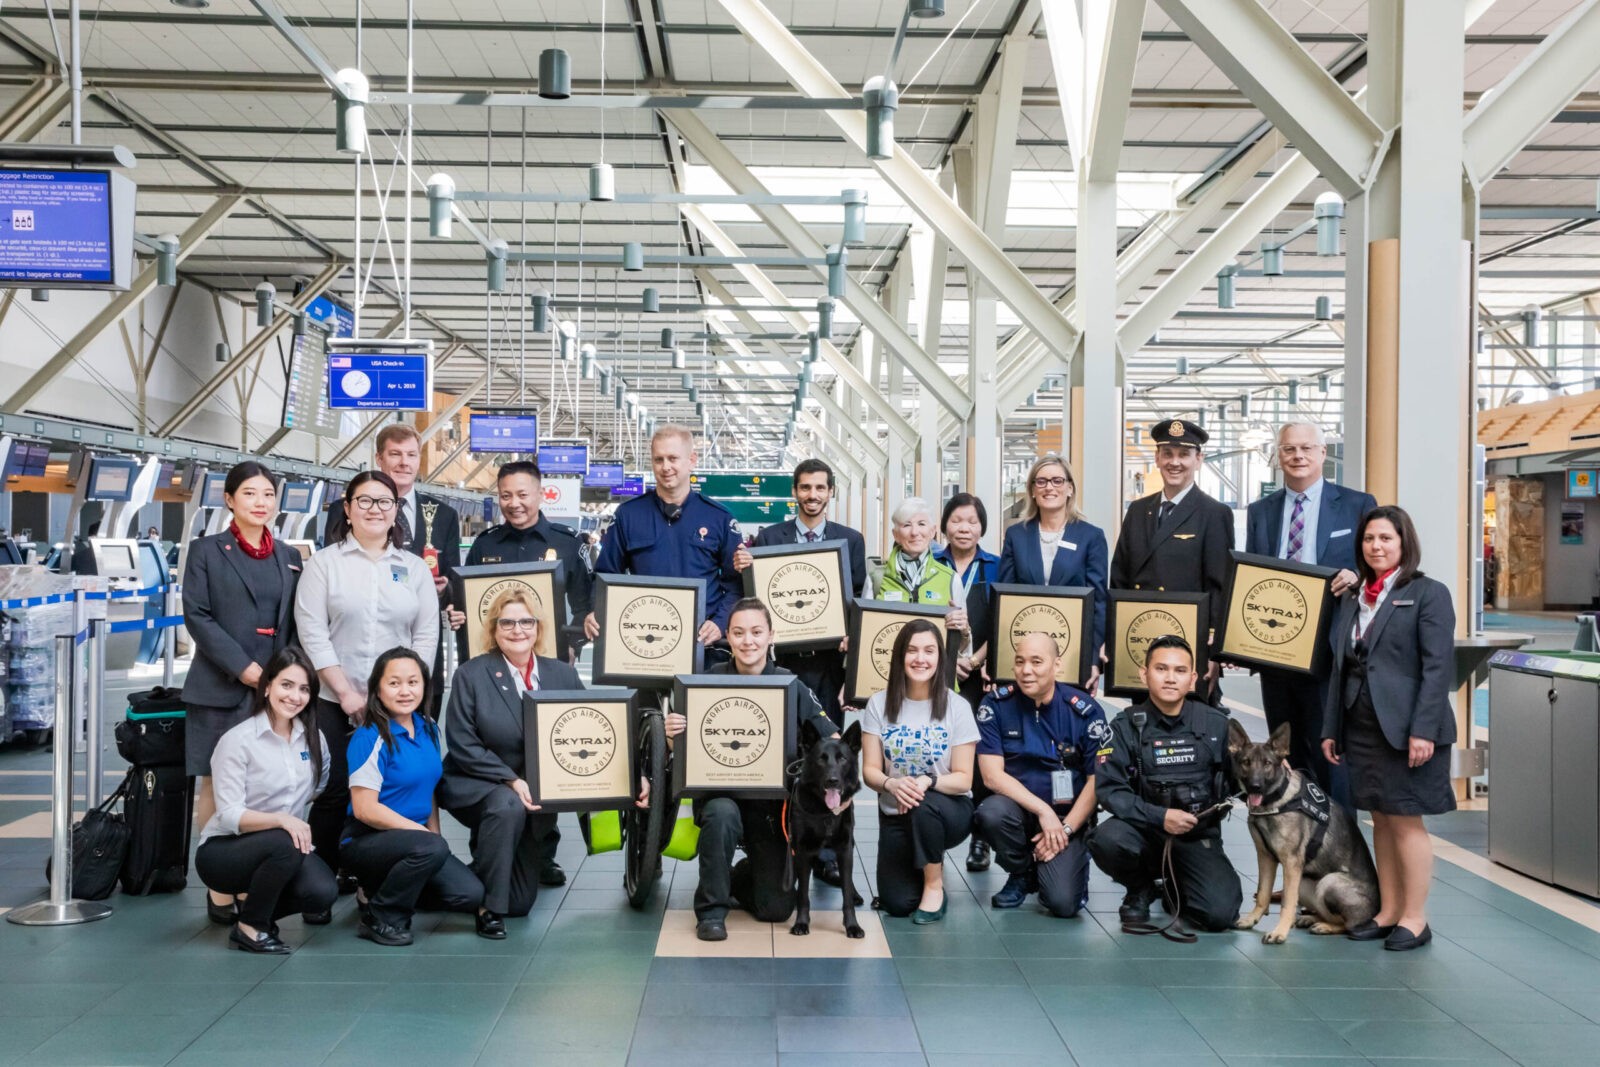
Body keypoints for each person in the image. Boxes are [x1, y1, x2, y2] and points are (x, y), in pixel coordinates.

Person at [295, 471, 440, 897]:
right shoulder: (324, 564)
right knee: (334, 786)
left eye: (384, 502)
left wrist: (409, 694)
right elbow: (312, 631)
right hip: (332, 697)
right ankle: (321, 879)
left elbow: (426, 634)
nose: (375, 510)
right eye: (365, 501)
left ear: (396, 511)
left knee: (392, 786)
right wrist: (345, 692)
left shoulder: (412, 568)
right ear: (347, 507)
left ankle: (377, 869)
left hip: (396, 704)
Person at [1321, 505, 1455, 952]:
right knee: (1379, 817)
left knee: (1406, 821)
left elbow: (1438, 669)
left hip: (1407, 730)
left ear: (1403, 544)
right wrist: (1331, 727)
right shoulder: (1355, 596)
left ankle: (1416, 918)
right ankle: (1389, 911)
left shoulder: (1427, 593)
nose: (1376, 547)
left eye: (1385, 539)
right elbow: (1341, 667)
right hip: (1361, 725)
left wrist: (1424, 731)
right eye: (1369, 539)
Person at [665, 597, 837, 941]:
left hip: (772, 804)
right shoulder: (706, 683)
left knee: (775, 910)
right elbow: (679, 750)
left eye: (757, 632)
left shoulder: (791, 684)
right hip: (720, 794)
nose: (749, 641)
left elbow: (830, 737)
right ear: (728, 636)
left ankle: (737, 874)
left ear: (771, 635)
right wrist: (672, 735)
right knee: (722, 813)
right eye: (739, 632)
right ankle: (711, 912)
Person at [180, 460, 304, 923]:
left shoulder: (289, 555)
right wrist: (246, 669)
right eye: (250, 494)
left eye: (268, 495)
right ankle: (219, 888)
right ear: (230, 499)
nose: (261, 502)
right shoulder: (207, 551)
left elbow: (293, 621)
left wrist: (283, 677)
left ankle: (252, 879)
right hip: (220, 686)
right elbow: (198, 616)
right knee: (217, 785)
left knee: (263, 786)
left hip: (273, 690)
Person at [438, 588, 582, 937]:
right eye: (507, 622)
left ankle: (440, 884)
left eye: (525, 621)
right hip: (476, 782)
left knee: (519, 902)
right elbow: (462, 742)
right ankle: (488, 909)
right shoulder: (471, 674)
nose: (517, 629)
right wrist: (510, 779)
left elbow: (589, 724)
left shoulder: (561, 675)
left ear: (538, 627)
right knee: (505, 807)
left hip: (532, 797)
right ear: (493, 629)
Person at [1244, 423, 1374, 801]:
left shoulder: (1356, 505)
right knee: (1286, 758)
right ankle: (1297, 846)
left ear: (1322, 453)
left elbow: (1379, 566)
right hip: (1275, 653)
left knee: (1331, 758)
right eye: (1288, 449)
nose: (1297, 456)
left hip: (1330, 654)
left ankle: (1338, 851)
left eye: (1306, 448)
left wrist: (1357, 575)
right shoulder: (1260, 512)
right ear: (1278, 457)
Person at [1090, 635, 1243, 933]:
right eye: (1161, 669)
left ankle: (1176, 888)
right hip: (1142, 832)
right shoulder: (1124, 726)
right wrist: (1160, 817)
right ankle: (1141, 887)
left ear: (1193, 678)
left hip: (1196, 835)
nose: (1170, 678)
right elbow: (1111, 791)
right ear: (1144, 674)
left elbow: (1241, 781)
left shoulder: (1216, 724)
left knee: (1219, 915)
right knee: (1106, 840)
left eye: (1180, 671)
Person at [194, 649, 337, 954]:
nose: (294, 696)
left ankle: (252, 914)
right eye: (286, 685)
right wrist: (281, 820)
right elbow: (230, 815)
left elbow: (318, 786)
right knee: (284, 841)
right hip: (225, 852)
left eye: (304, 689)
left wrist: (285, 824)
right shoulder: (238, 740)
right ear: (268, 685)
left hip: (282, 849)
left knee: (322, 892)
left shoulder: (313, 738)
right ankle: (251, 928)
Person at [341, 648, 485, 946]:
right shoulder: (368, 736)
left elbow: (428, 789)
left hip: (416, 843)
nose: (405, 691)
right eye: (394, 683)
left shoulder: (429, 728)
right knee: (428, 849)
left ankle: (382, 889)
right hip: (366, 840)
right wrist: (426, 840)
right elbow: (365, 809)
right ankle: (380, 915)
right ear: (377, 690)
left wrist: (435, 838)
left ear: (424, 686)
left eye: (413, 682)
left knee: (468, 894)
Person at [325, 425, 463, 717]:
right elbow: (336, 569)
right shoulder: (343, 509)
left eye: (412, 454)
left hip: (419, 646)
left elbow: (454, 579)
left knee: (412, 747)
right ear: (379, 458)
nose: (404, 462)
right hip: (354, 646)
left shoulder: (444, 515)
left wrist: (442, 589)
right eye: (395, 454)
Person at [972, 633, 1109, 918]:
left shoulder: (1085, 712)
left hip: (1067, 819)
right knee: (989, 813)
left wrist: (1066, 828)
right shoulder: (995, 705)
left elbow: (1096, 782)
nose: (1026, 670)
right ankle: (1022, 872)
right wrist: (1042, 810)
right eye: (1020, 662)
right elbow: (991, 777)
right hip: (1018, 812)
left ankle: (1061, 866)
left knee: (1062, 904)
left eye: (1037, 661)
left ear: (1057, 665)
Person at [735, 457, 868, 731]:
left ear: (831, 492)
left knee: (827, 737)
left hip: (830, 661)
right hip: (782, 657)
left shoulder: (851, 540)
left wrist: (851, 633)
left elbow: (857, 594)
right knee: (781, 732)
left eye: (820, 488)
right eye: (805, 488)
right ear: (794, 491)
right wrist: (743, 570)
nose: (813, 495)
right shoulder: (769, 539)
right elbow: (757, 597)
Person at [584, 426, 742, 653]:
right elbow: (606, 575)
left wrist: (720, 622)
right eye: (659, 459)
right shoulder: (628, 515)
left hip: (703, 645)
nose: (666, 467)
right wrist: (596, 609)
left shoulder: (719, 518)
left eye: (673, 458)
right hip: (645, 641)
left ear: (692, 460)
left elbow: (735, 583)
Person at [1109, 419, 1235, 705]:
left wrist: (1215, 654)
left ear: (1198, 459)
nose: (1175, 462)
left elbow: (1220, 588)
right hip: (1142, 643)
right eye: (1167, 454)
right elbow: (1120, 578)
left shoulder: (1214, 513)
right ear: (1157, 458)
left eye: (1184, 454)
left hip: (1189, 650)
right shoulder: (1139, 511)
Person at [861, 619, 978, 922]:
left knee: (925, 805)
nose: (920, 659)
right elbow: (870, 771)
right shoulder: (878, 704)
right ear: (900, 656)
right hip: (897, 812)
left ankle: (934, 885)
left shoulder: (957, 707)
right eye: (912, 650)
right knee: (897, 903)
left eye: (929, 651)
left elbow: (964, 778)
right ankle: (922, 860)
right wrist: (892, 785)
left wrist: (928, 780)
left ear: (940, 657)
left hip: (946, 808)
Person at [463, 459, 592, 665]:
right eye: (506, 496)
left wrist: (571, 646)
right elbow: (467, 602)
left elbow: (584, 604)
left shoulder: (567, 543)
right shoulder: (485, 544)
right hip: (493, 659)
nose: (514, 503)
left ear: (540, 495)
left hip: (549, 659)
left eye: (522, 495)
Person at [998, 455, 1109, 690]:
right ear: (1032, 490)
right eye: (1041, 481)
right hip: (1024, 651)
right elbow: (1004, 599)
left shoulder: (1091, 537)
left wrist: (1092, 661)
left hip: (1072, 653)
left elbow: (1098, 604)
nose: (1049, 487)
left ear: (1070, 488)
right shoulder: (1016, 536)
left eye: (1057, 481)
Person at [934, 493, 1000, 711]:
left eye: (972, 522)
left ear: (982, 528)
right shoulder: (930, 565)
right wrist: (947, 664)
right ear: (944, 526)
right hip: (934, 670)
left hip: (980, 673)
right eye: (956, 521)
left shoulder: (997, 567)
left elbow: (1002, 622)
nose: (964, 529)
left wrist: (973, 661)